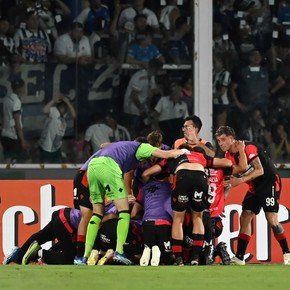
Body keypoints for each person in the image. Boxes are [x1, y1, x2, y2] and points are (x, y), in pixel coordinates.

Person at [79, 140, 186, 265]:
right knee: (124, 212)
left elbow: (105, 146)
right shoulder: (142, 147)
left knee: (97, 214)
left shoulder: (123, 147)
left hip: (92, 167)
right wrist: (182, 151)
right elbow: (164, 154)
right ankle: (119, 251)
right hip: (108, 166)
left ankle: (84, 256)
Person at [142, 143, 232, 266]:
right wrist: (227, 177)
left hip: (182, 177)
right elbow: (228, 163)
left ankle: (179, 258)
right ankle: (195, 257)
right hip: (200, 178)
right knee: (198, 218)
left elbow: (147, 173)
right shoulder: (201, 156)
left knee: (178, 219)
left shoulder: (174, 155)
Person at [215, 125, 290, 265]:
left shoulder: (248, 147)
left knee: (272, 219)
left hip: (269, 182)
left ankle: (287, 253)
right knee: (245, 215)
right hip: (254, 186)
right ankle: (239, 257)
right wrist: (221, 201)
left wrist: (240, 180)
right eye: (219, 141)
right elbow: (229, 180)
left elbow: (260, 170)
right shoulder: (227, 156)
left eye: (223, 139)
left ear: (232, 138)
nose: (221, 143)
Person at [3, 207, 82, 265]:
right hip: (66, 220)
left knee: (41, 236)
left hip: (62, 213)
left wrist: (49, 256)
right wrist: (45, 255)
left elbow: (65, 244)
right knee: (68, 259)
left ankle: (18, 254)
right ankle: (34, 253)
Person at [38, 94, 76, 163]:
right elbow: (45, 110)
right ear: (64, 106)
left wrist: (68, 102)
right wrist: (53, 100)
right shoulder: (54, 111)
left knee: (57, 169)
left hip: (56, 147)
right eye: (68, 106)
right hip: (47, 147)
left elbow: (74, 116)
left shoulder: (64, 114)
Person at [1, 78, 29, 163]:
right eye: (23, 87)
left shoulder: (6, 99)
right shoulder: (16, 101)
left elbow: (3, 117)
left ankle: (7, 176)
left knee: (8, 161)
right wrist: (22, 140)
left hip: (5, 135)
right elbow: (17, 122)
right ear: (21, 88)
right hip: (14, 136)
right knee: (27, 161)